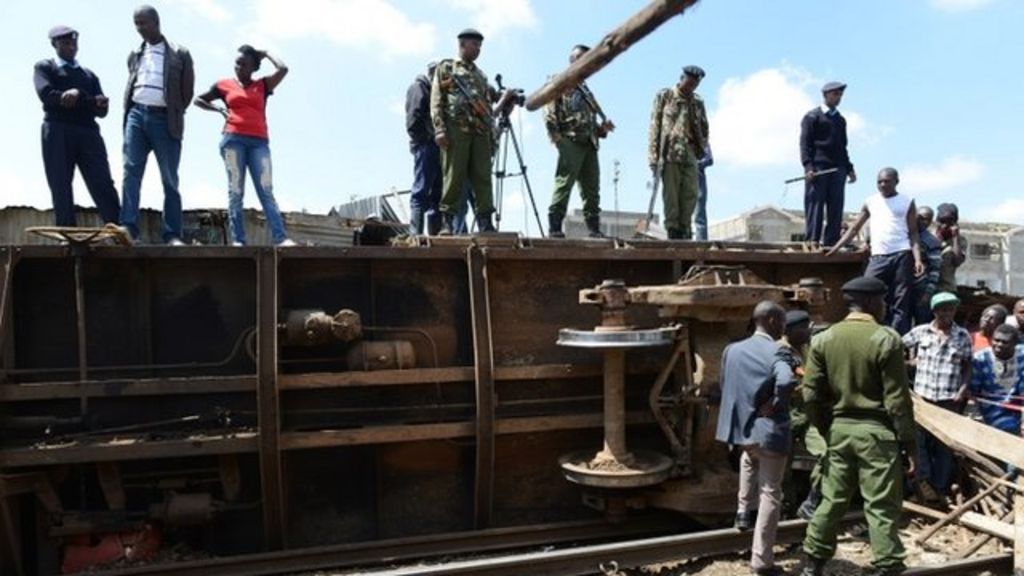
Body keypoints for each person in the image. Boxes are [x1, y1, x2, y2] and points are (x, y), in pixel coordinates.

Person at [800, 276, 917, 576]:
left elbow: (810, 394)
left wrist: (826, 427)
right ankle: (888, 564)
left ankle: (812, 561)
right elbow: (897, 401)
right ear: (870, 303)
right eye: (882, 300)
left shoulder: (823, 338)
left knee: (832, 499)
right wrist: (909, 444)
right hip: (877, 436)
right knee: (881, 505)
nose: (885, 305)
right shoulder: (887, 338)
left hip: (839, 432)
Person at [715, 301, 794, 576]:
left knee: (749, 458)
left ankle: (743, 511)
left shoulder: (731, 350)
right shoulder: (779, 351)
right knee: (772, 491)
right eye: (782, 321)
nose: (784, 327)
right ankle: (762, 561)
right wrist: (775, 402)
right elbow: (786, 381)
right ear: (772, 320)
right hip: (770, 430)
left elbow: (726, 385)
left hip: (743, 431)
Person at [194, 45, 294, 247]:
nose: (239, 67)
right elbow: (198, 100)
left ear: (254, 68)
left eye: (244, 64)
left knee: (265, 190)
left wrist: (266, 53)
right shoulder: (223, 85)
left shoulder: (263, 86)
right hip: (233, 141)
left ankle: (280, 238)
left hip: (259, 143)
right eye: (237, 63)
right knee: (236, 191)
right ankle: (239, 240)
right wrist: (219, 109)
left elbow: (283, 69)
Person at [120, 5, 194, 245]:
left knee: (169, 178)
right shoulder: (134, 53)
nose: (140, 28)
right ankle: (128, 229)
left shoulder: (179, 53)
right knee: (131, 172)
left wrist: (171, 111)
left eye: (143, 23)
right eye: (136, 24)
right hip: (136, 116)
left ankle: (172, 234)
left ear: (156, 22)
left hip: (165, 120)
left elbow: (186, 93)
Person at [34, 26, 121, 228]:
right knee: (60, 183)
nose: (71, 47)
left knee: (102, 181)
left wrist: (80, 96)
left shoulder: (89, 75)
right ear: (54, 44)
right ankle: (67, 231)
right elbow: (49, 96)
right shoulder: (45, 67)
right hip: (57, 129)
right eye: (65, 43)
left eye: (74, 42)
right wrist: (85, 100)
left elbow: (101, 111)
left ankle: (117, 228)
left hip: (88, 132)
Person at [828, 167, 925, 335]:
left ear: (896, 181)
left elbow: (913, 232)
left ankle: (897, 338)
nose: (882, 185)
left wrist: (917, 259)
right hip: (878, 256)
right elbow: (854, 228)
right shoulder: (871, 201)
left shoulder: (906, 201)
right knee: (864, 291)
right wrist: (836, 247)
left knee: (900, 299)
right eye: (879, 182)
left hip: (902, 253)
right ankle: (864, 332)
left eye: (886, 181)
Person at [902, 292, 972, 501]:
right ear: (934, 311)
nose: (946, 313)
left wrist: (963, 389)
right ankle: (923, 484)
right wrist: (908, 364)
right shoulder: (921, 332)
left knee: (943, 446)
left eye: (950, 309)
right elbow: (895, 347)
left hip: (948, 399)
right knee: (920, 443)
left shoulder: (962, 336)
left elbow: (968, 365)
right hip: (923, 399)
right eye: (942, 309)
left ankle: (939, 488)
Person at [431, 28, 497, 235]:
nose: (478, 49)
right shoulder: (447, 68)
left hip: (480, 132)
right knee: (453, 175)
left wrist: (492, 136)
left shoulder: (481, 75)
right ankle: (447, 222)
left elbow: (487, 106)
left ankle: (486, 221)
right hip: (456, 129)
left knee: (483, 177)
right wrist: (440, 128)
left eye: (480, 46)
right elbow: (436, 99)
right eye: (474, 45)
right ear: (462, 45)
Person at [544, 44, 613, 239]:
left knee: (592, 188)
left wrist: (602, 130)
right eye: (582, 58)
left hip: (589, 142)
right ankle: (555, 226)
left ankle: (594, 228)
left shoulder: (585, 89)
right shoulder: (559, 81)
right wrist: (556, 137)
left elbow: (588, 120)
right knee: (564, 183)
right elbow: (549, 110)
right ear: (572, 60)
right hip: (570, 140)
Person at [648, 65, 709, 240]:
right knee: (671, 195)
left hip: (690, 151)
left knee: (691, 192)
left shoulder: (697, 102)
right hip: (669, 152)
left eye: (695, 85)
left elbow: (705, 128)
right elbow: (654, 127)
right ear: (682, 78)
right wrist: (653, 157)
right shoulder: (665, 96)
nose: (691, 87)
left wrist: (701, 149)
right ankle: (673, 230)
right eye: (689, 83)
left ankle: (685, 229)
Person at [779, 311, 827, 520]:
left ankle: (811, 501)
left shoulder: (808, 347)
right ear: (790, 331)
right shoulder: (780, 350)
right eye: (804, 328)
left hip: (808, 414)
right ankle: (785, 511)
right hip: (786, 415)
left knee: (829, 455)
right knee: (782, 470)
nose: (809, 331)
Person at [800, 81, 856, 247]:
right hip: (818, 168)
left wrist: (849, 168)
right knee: (815, 205)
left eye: (840, 95)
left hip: (838, 168)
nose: (838, 98)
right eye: (835, 94)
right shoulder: (812, 117)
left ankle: (831, 242)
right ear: (825, 95)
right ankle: (812, 241)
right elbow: (805, 144)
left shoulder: (840, 120)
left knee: (836, 206)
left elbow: (843, 146)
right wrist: (808, 167)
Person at [406, 61, 442, 236]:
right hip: (426, 145)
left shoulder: (436, 92)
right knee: (421, 191)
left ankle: (434, 236)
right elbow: (413, 119)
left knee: (437, 195)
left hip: (437, 146)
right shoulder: (419, 88)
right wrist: (424, 139)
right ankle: (416, 234)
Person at [970, 325, 1024, 435]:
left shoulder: (1022, 355)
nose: (999, 345)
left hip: (1020, 404)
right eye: (996, 340)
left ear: (1015, 343)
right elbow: (974, 391)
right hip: (993, 407)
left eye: (1005, 342)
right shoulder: (980, 359)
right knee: (1008, 428)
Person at [912, 206, 942, 324]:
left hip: (921, 289)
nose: (924, 222)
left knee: (922, 324)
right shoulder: (903, 235)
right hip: (903, 287)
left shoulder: (931, 241)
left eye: (928, 220)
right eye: (921, 218)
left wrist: (928, 293)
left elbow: (935, 269)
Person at [935, 203, 966, 293]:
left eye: (948, 221)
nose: (945, 225)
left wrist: (955, 237)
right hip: (927, 288)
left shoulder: (960, 241)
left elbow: (957, 261)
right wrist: (937, 237)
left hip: (946, 289)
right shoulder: (929, 237)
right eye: (942, 221)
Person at [694, 143, 714, 241]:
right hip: (682, 179)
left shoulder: (701, 137)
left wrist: (695, 164)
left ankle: (701, 247)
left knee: (699, 214)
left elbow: (709, 159)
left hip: (697, 179)